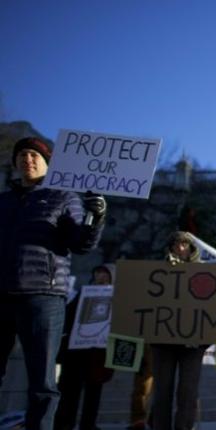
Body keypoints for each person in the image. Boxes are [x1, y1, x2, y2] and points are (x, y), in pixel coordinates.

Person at [0, 137, 106, 429]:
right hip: (2, 294)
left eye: (35, 155)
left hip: (43, 297)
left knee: (42, 382)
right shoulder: (4, 202)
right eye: (22, 154)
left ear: (48, 163)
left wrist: (94, 218)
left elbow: (81, 244)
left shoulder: (64, 197)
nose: (28, 159)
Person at [150, 231, 209, 430]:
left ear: (191, 248)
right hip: (162, 343)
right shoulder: (157, 271)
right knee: (161, 391)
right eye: (176, 244)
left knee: (188, 391)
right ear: (171, 247)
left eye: (185, 244)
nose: (180, 248)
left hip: (193, 344)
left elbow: (212, 307)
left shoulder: (204, 273)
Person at [54, 264, 115, 430]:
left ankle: (88, 424)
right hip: (75, 353)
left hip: (98, 355)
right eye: (98, 273)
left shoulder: (117, 298)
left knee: (93, 393)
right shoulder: (81, 294)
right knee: (69, 391)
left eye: (105, 275)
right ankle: (64, 423)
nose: (101, 277)